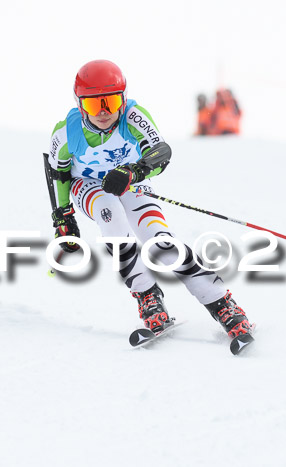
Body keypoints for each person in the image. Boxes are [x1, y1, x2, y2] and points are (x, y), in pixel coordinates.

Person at [45, 59, 252, 339]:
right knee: (111, 216)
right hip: (88, 184)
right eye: (95, 105)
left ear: (124, 99)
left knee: (160, 242)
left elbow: (161, 152)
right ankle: (147, 296)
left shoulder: (132, 117)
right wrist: (63, 216)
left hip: (129, 179)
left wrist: (134, 171)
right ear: (80, 104)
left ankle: (222, 303)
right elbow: (59, 173)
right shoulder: (66, 133)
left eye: (112, 102)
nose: (105, 112)